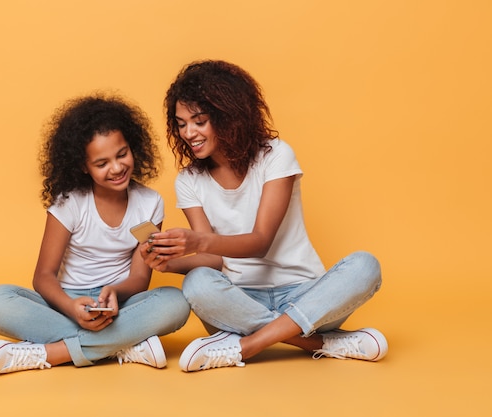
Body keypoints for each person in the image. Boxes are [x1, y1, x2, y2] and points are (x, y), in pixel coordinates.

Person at [140, 60, 388, 372]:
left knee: (365, 266)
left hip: (304, 295)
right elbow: (215, 260)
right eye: (181, 123)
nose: (189, 133)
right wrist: (170, 261)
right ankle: (320, 343)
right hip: (240, 300)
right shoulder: (189, 181)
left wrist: (197, 240)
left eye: (199, 121)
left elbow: (260, 242)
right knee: (197, 283)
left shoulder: (276, 156)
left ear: (228, 116)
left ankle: (247, 344)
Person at [0, 93, 190, 375]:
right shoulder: (70, 203)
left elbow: (140, 278)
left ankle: (50, 353)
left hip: (120, 305)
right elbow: (43, 276)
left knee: (176, 303)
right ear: (83, 166)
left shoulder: (150, 202)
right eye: (101, 164)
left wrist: (114, 292)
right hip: (66, 302)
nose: (116, 168)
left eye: (122, 154)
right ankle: (122, 345)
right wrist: (70, 306)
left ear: (133, 147)